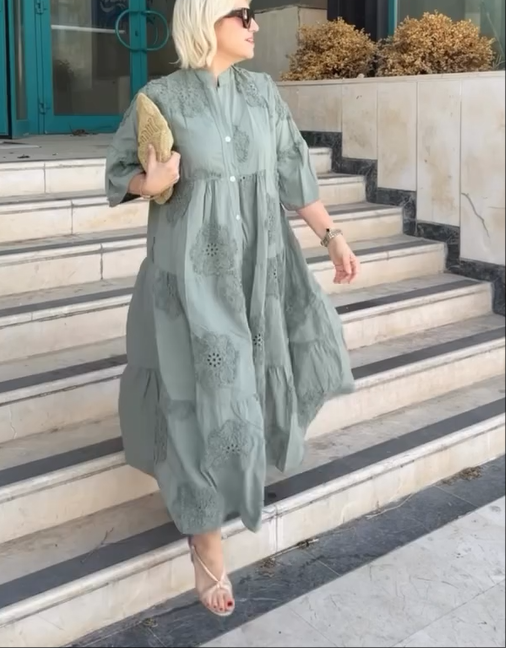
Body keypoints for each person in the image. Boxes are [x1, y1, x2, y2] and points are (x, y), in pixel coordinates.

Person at [105, 0, 358, 618]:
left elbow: (293, 171)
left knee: (263, 376)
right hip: (190, 278)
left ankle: (235, 477)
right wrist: (148, 183)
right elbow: (121, 171)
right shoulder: (160, 97)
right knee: (194, 396)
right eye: (242, 14)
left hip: (260, 268)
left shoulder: (263, 92)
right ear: (206, 19)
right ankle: (207, 538)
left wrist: (331, 235)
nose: (255, 24)